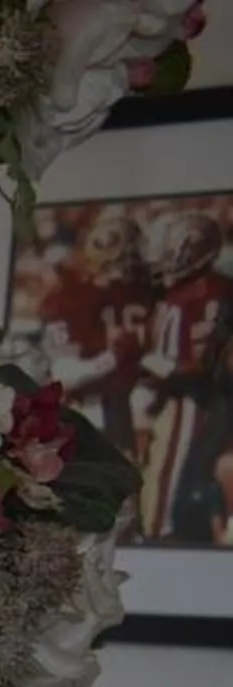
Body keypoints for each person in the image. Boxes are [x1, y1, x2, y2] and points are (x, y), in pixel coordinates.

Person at [134, 209, 233, 545]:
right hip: (177, 395)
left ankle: (160, 535)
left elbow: (201, 364)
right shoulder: (182, 294)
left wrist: (155, 366)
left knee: (167, 477)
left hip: (192, 399)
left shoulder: (209, 295)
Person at [39, 211, 155, 460]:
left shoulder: (70, 298)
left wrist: (109, 360)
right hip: (141, 402)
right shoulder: (156, 293)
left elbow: (64, 375)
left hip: (103, 405)